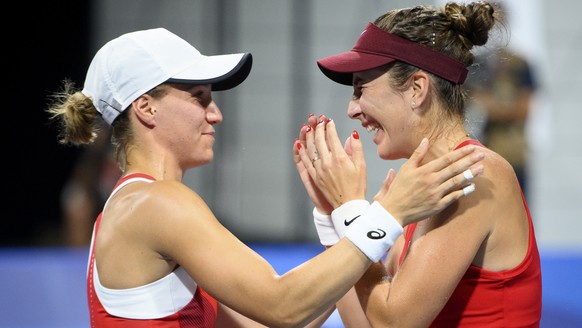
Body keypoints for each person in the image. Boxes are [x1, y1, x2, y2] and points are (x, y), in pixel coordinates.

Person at [47, 27, 484, 327]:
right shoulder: (158, 203)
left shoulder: (135, 205)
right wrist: (388, 215)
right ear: (146, 107)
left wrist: (336, 219)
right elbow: (284, 305)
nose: (215, 114)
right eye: (199, 98)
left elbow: (280, 320)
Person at [293, 1, 541, 327]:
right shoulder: (417, 191)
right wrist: (332, 216)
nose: (352, 109)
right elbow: (366, 323)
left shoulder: (474, 174)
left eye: (360, 89)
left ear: (417, 89)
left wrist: (349, 209)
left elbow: (393, 323)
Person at [469, 46, 536, 200]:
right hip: (485, 154)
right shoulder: (479, 62)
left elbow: (524, 110)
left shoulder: (519, 63)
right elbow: (474, 101)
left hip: (514, 155)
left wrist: (494, 107)